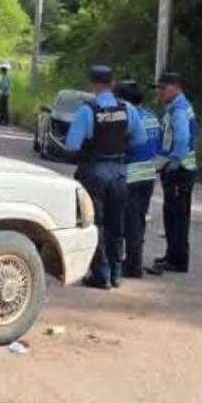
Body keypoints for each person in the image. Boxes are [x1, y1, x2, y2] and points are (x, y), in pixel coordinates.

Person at [65, 65, 147, 289]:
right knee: (116, 222)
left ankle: (101, 274)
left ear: (92, 85)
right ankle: (116, 272)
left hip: (94, 171)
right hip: (119, 172)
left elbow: (72, 144)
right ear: (112, 83)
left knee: (96, 223)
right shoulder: (127, 108)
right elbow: (140, 140)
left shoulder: (87, 110)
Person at [149, 71, 198, 276]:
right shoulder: (175, 108)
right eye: (159, 88)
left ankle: (177, 259)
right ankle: (172, 255)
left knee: (177, 215)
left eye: (163, 87)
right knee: (172, 214)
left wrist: (174, 162)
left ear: (176, 87)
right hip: (177, 169)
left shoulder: (179, 110)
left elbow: (181, 139)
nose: (160, 92)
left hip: (180, 170)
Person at [114, 80, 161, 279]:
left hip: (131, 174)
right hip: (148, 174)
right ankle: (135, 261)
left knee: (128, 222)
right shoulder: (151, 116)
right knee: (139, 220)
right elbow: (156, 146)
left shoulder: (127, 118)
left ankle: (132, 267)